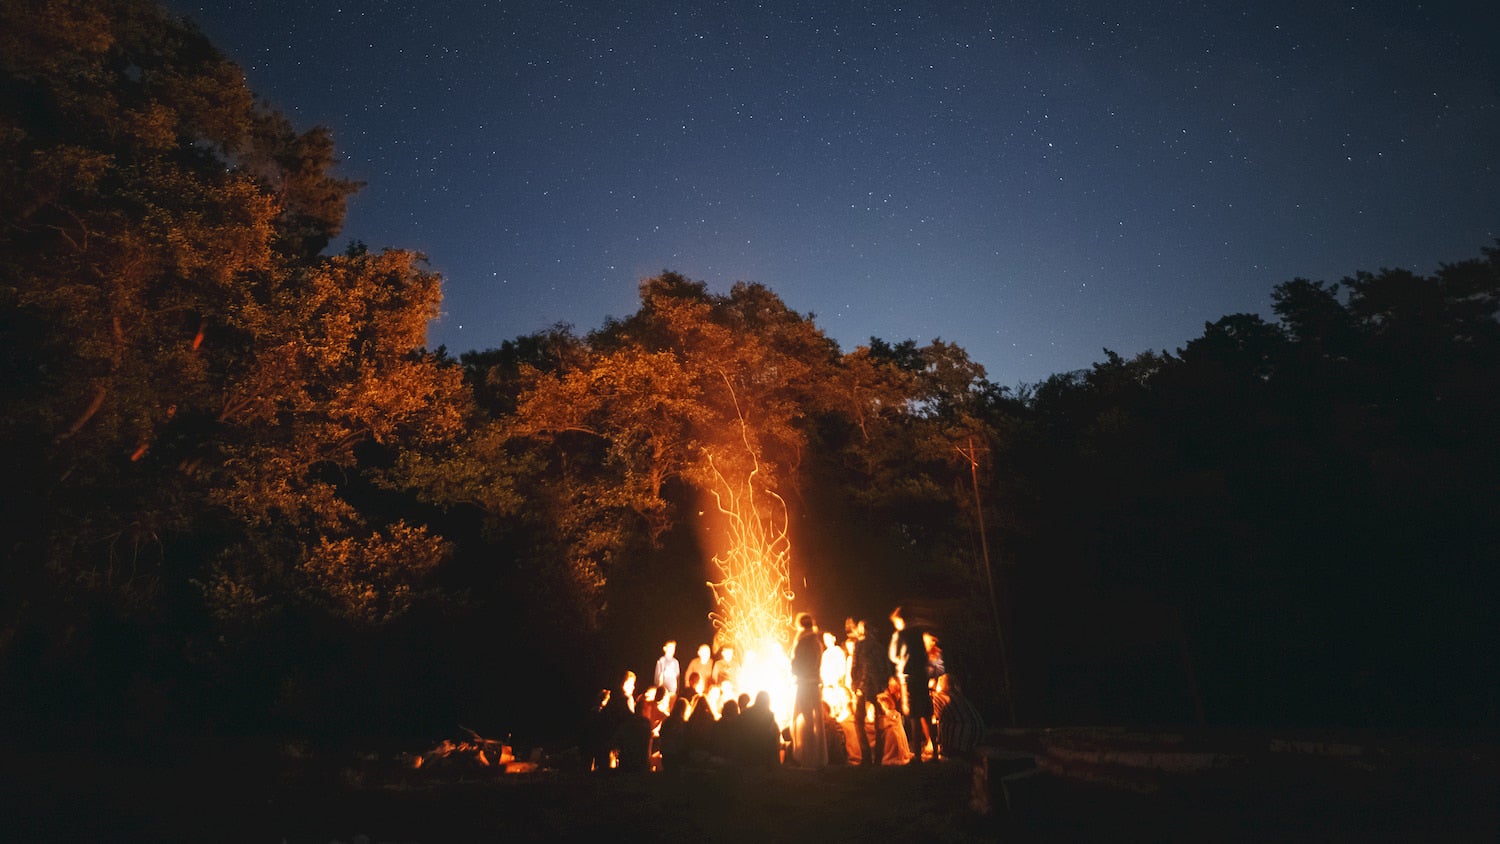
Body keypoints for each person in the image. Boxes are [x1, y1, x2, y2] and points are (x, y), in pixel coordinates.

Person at [889, 607, 933, 762]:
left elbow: (893, 655)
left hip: (909, 676)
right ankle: (934, 752)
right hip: (922, 674)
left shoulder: (901, 634)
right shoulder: (918, 632)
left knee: (914, 714)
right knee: (926, 711)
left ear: (901, 620)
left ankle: (918, 757)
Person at [789, 612, 828, 768]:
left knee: (804, 719)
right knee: (816, 720)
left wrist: (794, 670)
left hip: (804, 685)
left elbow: (795, 666)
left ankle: (806, 756)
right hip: (814, 685)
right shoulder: (817, 643)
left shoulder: (801, 642)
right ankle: (818, 756)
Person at [850, 618, 888, 766]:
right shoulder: (880, 647)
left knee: (859, 721)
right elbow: (886, 668)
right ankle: (878, 757)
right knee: (879, 723)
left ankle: (866, 755)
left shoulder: (860, 646)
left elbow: (857, 667)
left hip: (864, 687)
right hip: (877, 688)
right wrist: (883, 686)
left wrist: (857, 686)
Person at [653, 640, 680, 705]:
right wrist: (658, 689)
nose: (672, 650)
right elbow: (657, 677)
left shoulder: (675, 662)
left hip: (672, 691)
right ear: (665, 648)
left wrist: (677, 690)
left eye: (673, 648)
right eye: (670, 648)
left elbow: (677, 677)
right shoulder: (661, 661)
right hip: (663, 691)